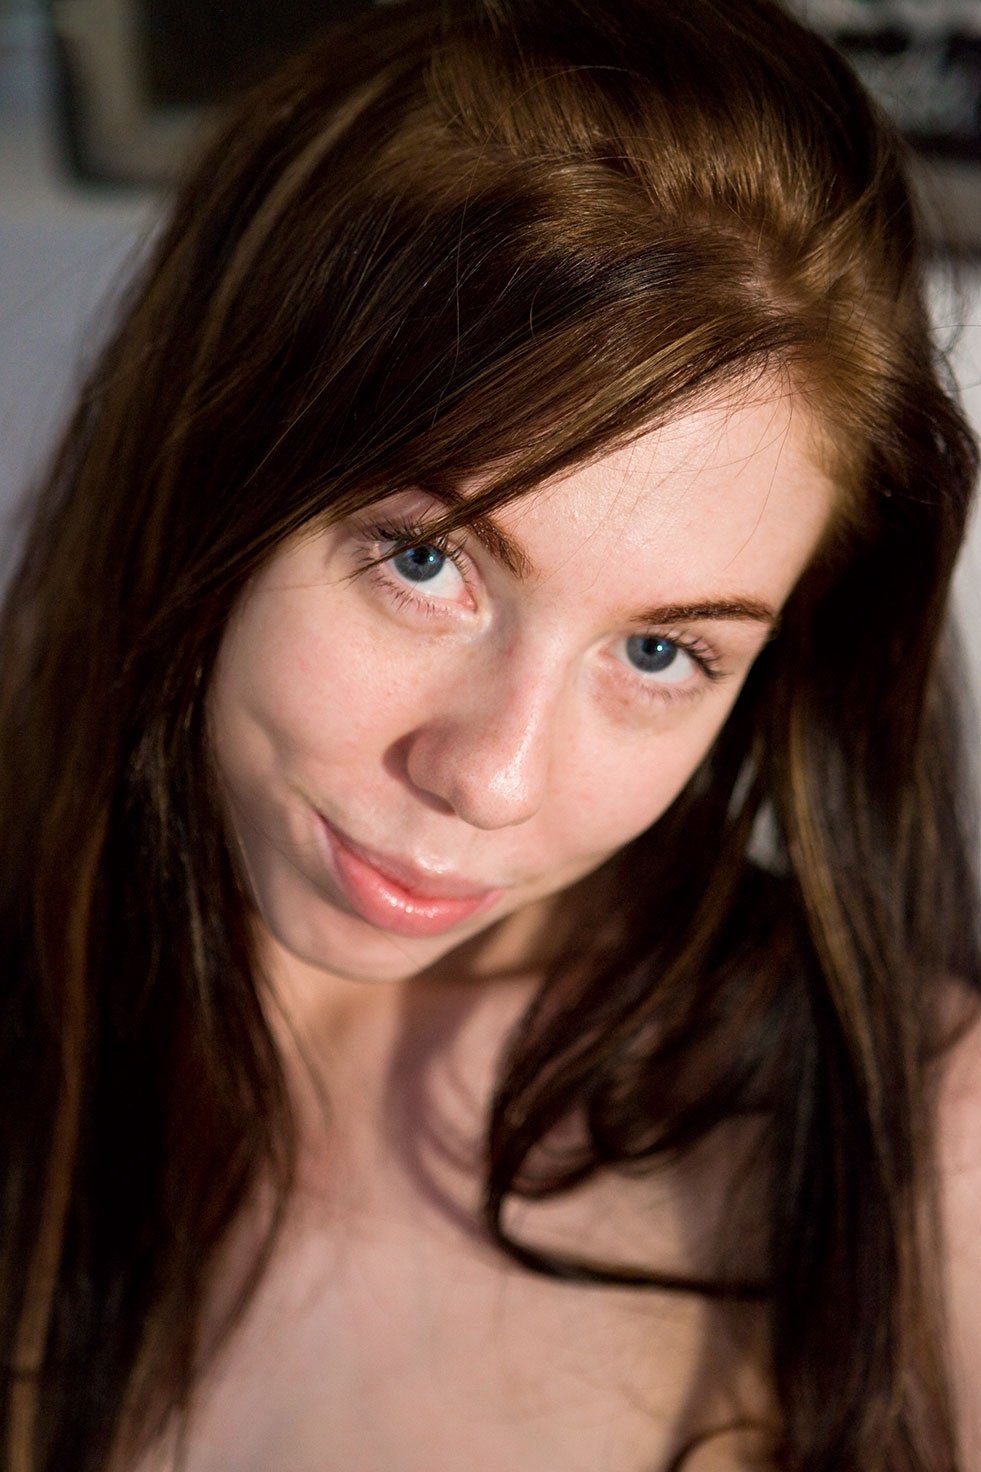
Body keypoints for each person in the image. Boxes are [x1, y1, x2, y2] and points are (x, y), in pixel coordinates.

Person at [1, 0, 979, 1468]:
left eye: (660, 652)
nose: (495, 778)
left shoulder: (918, 1157)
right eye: (427, 563)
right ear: (211, 461)